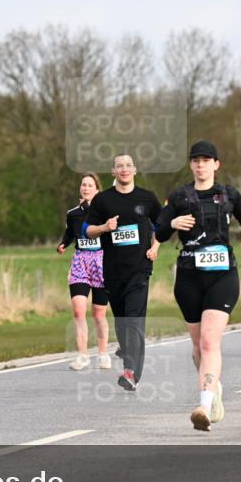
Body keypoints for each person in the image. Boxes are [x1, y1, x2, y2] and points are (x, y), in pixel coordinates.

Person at [155, 140, 241, 431]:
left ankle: (203, 404)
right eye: (196, 160)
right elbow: (159, 232)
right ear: (191, 165)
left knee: (210, 342)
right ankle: (214, 390)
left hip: (223, 275)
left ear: (216, 164)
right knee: (198, 347)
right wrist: (172, 222)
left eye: (206, 160)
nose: (201, 164)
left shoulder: (228, 194)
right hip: (188, 277)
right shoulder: (178, 196)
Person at [83, 154, 162, 391]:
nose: (124, 169)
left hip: (140, 270)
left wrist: (155, 246)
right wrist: (105, 227)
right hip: (113, 272)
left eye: (128, 166)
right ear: (113, 171)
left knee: (135, 321)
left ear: (135, 170)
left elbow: (162, 225)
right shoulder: (103, 200)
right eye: (120, 166)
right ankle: (127, 352)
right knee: (121, 322)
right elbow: (87, 230)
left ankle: (131, 373)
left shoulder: (147, 198)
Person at [57, 173, 111, 370]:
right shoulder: (73, 214)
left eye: (90, 185)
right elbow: (70, 232)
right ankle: (83, 355)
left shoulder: (106, 213)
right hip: (80, 261)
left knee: (98, 314)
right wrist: (63, 243)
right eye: (83, 185)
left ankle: (103, 353)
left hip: (101, 262)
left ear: (97, 189)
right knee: (79, 311)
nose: (86, 188)